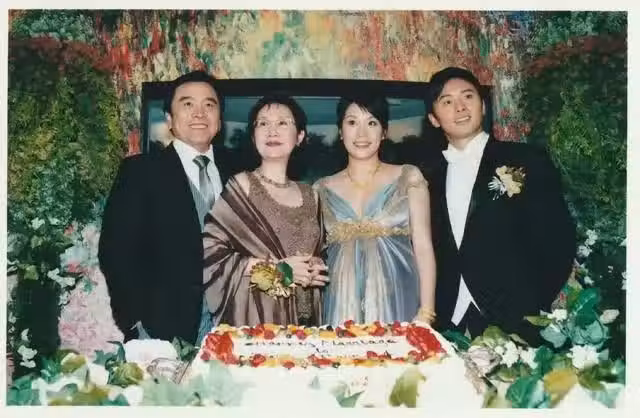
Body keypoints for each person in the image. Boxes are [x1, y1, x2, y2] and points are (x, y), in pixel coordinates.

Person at [423, 66, 576, 343]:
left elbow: (558, 238)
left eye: (468, 96)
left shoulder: (526, 159)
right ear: (434, 119)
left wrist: (532, 301)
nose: (460, 107)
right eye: (447, 101)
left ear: (483, 105)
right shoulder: (427, 177)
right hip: (449, 321)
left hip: (516, 319)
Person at [98, 70, 230, 344]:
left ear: (219, 120)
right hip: (161, 332)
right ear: (170, 119)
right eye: (187, 104)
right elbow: (116, 252)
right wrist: (136, 324)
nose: (199, 113)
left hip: (232, 328)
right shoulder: (140, 172)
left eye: (209, 105)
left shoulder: (239, 173)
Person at [202, 94, 329, 327]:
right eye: (263, 123)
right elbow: (211, 251)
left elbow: (321, 251)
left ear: (300, 136)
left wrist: (315, 266)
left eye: (282, 123)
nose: (272, 131)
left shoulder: (311, 194)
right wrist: (279, 271)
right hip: (259, 316)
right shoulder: (241, 186)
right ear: (253, 136)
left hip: (307, 320)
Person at [314, 94, 436, 327]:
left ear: (384, 131)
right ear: (340, 132)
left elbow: (423, 246)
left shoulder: (408, 177)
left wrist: (427, 313)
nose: (362, 133)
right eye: (352, 122)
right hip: (340, 305)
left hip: (399, 300)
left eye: (371, 123)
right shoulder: (321, 189)